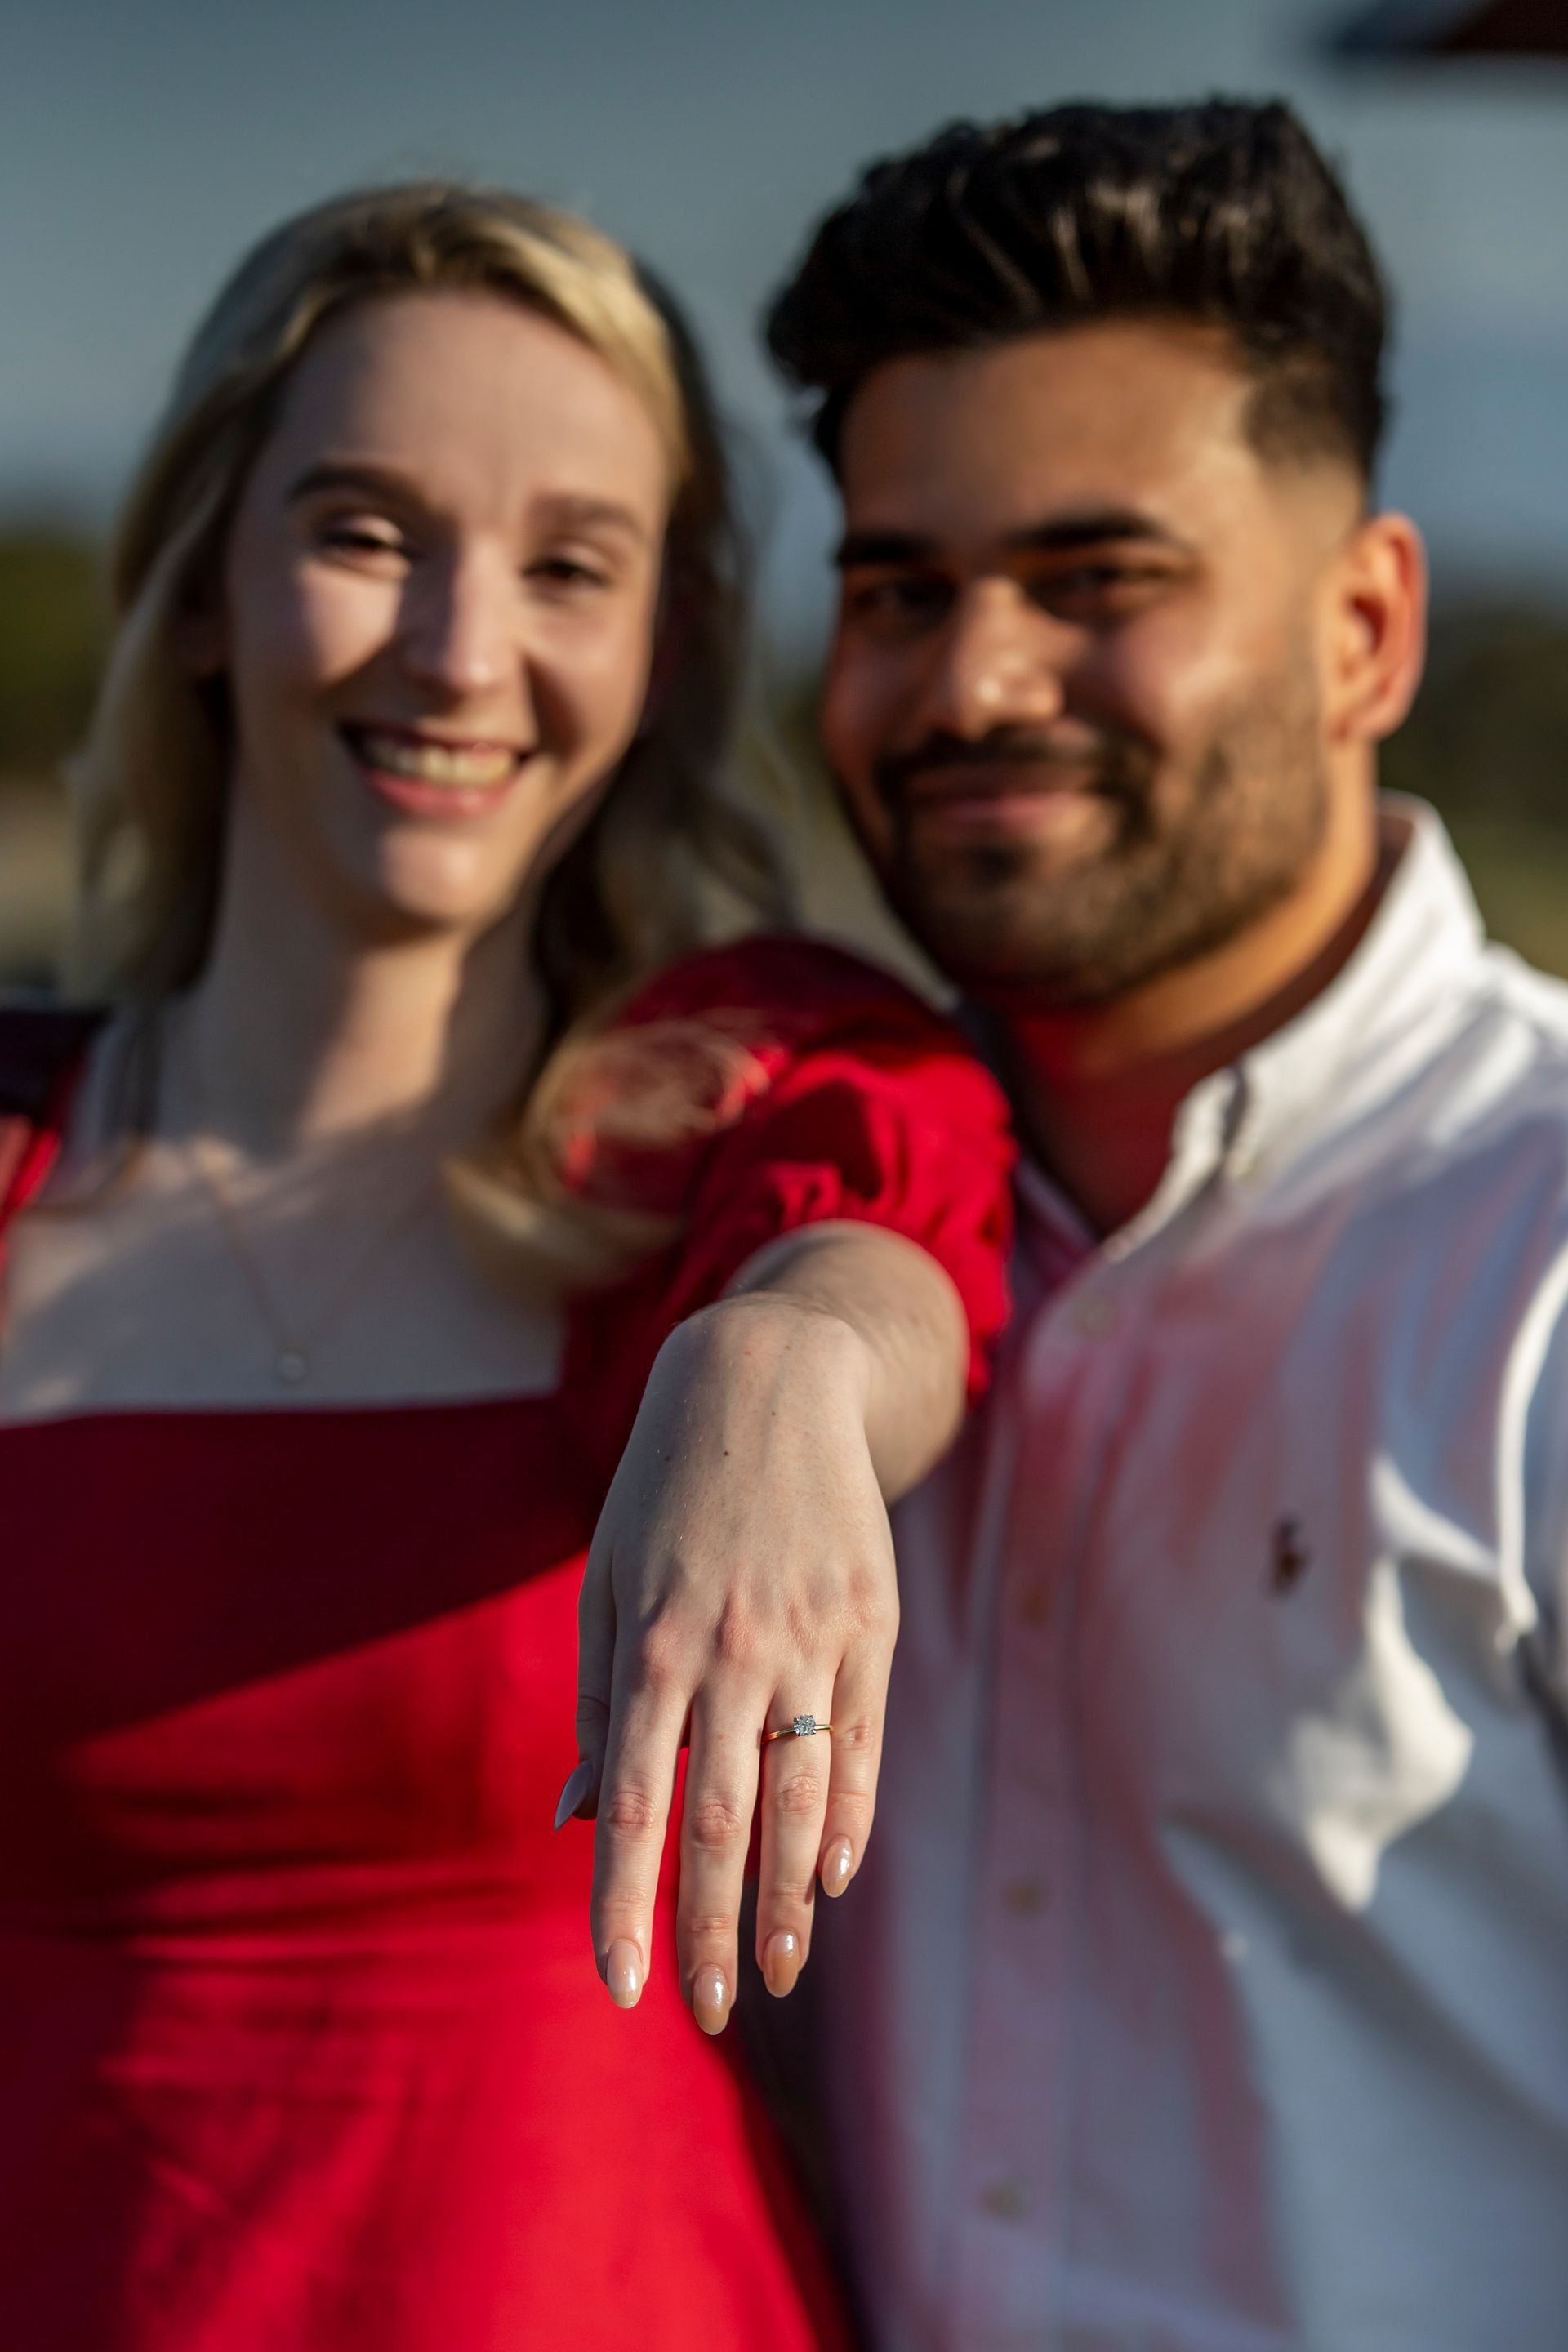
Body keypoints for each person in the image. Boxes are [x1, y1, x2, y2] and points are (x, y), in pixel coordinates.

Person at [0, 182, 1015, 2348]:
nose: (462, 650)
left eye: (571, 566)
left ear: (655, 655)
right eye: (366, 530)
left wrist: (772, 1374)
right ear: (204, 584)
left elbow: (888, 1272)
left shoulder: (732, 1112)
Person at [760, 99, 1568, 2352]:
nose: (976, 682)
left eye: (1097, 583)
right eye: (900, 591)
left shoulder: (1547, 1259)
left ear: (1365, 629)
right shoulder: (779, 1220)